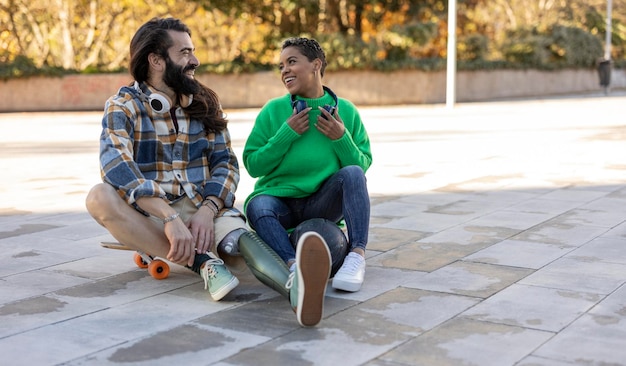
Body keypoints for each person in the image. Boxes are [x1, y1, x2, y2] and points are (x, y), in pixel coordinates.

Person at [85, 17, 248, 302]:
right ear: (157, 61)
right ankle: (203, 264)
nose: (194, 60)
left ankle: (296, 277)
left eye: (192, 50)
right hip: (153, 215)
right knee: (98, 197)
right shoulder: (123, 106)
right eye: (184, 52)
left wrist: (208, 210)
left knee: (242, 249)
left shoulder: (205, 103)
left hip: (203, 211)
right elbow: (115, 166)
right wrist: (169, 217)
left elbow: (227, 163)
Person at [239, 37, 373, 326]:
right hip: (280, 204)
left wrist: (341, 138)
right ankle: (293, 268)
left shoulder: (346, 111)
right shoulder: (274, 111)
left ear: (316, 65)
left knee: (352, 174)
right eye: (281, 65)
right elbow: (252, 164)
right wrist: (285, 134)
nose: (285, 70)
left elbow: (361, 166)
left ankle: (357, 255)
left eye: (291, 62)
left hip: (322, 205)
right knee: (257, 204)